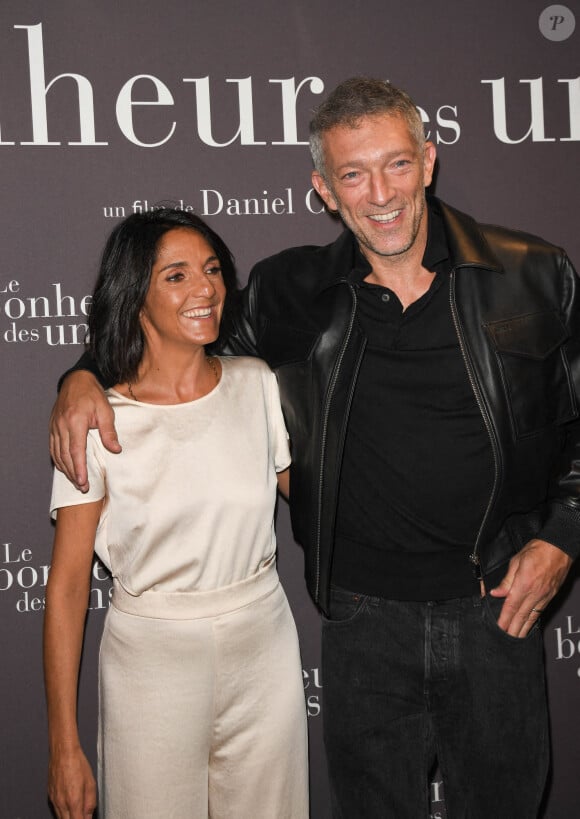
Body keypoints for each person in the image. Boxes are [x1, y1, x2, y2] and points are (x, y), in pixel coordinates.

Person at [50, 78, 580, 818]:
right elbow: (173, 345)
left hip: (497, 610)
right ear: (323, 189)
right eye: (353, 174)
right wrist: (81, 374)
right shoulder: (286, 292)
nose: (381, 193)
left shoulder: (534, 274)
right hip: (364, 625)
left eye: (396, 164)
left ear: (429, 160)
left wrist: (564, 534)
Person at [44, 208, 308, 819]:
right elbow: (65, 589)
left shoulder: (257, 385)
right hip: (150, 661)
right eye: (177, 276)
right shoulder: (93, 418)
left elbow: (323, 503)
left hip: (263, 644)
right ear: (133, 294)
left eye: (213, 270)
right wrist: (64, 745)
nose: (205, 288)